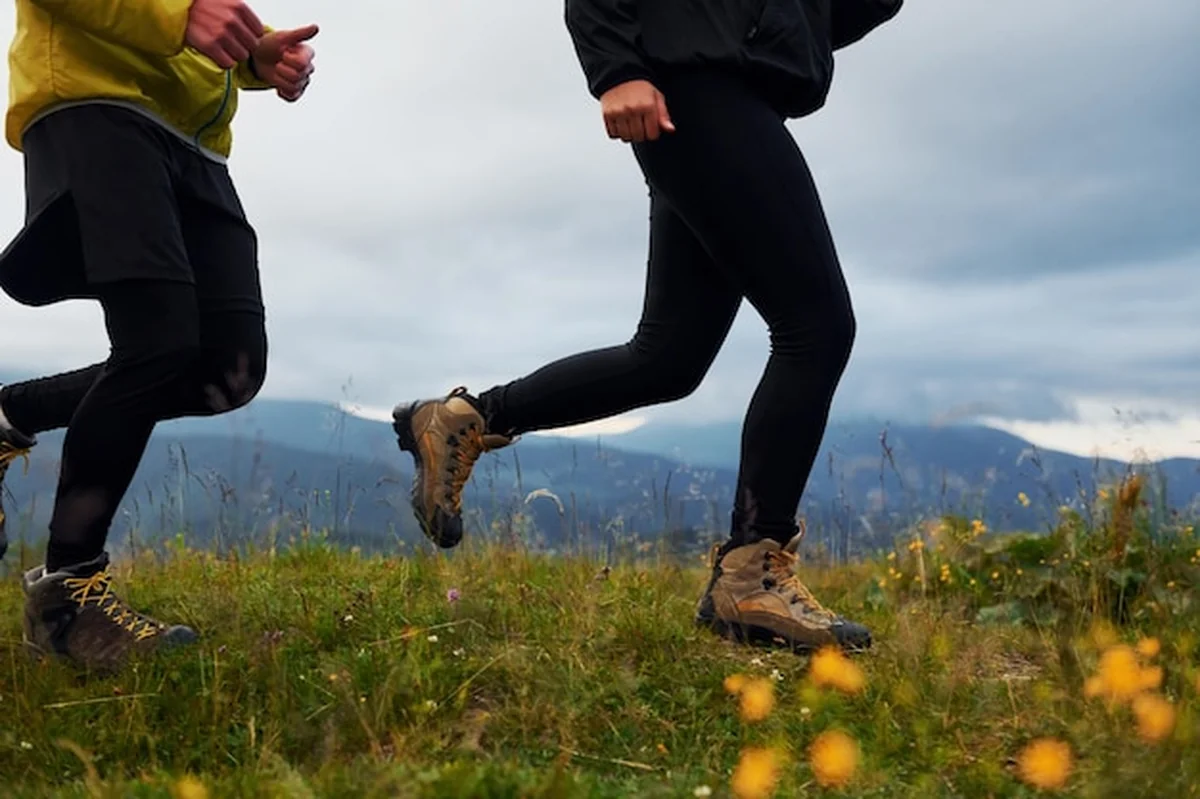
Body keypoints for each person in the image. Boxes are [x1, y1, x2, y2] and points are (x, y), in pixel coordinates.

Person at [392, 0, 903, 655]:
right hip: (693, 83)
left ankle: (463, 419)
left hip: (729, 86)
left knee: (670, 357)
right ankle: (752, 573)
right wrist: (615, 68)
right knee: (817, 327)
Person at [0, 0, 318, 672]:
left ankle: (10, 414)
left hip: (194, 140)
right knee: (157, 341)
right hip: (96, 102)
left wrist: (252, 59)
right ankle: (67, 603)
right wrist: (175, 14)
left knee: (227, 367)